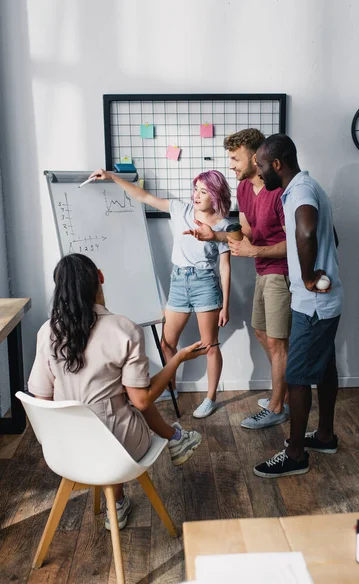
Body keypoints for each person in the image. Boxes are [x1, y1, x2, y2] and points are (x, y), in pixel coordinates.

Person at [28, 254, 210, 530]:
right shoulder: (125, 329)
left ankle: (120, 500)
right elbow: (142, 400)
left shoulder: (47, 332)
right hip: (118, 448)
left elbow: (41, 399)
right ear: (100, 277)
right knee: (129, 401)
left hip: (65, 450)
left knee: (105, 406)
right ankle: (175, 437)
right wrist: (176, 360)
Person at [90, 168, 231, 419]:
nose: (196, 195)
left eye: (203, 191)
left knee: (210, 346)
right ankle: (171, 388)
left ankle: (210, 398)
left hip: (205, 284)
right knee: (166, 343)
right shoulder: (181, 209)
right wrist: (112, 177)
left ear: (216, 194)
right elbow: (143, 197)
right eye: (195, 189)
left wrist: (226, 305)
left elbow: (225, 266)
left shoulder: (223, 226)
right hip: (178, 281)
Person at [184, 129, 291, 429]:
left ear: (256, 157)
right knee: (261, 332)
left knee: (277, 341)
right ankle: (285, 392)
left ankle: (277, 405)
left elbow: (296, 242)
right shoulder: (244, 188)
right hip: (262, 268)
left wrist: (255, 249)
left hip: (281, 272)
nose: (230, 164)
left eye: (235, 158)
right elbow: (247, 233)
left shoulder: (281, 191)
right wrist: (215, 235)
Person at [253, 134, 343, 478]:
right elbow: (331, 236)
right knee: (326, 369)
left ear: (278, 164)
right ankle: (324, 435)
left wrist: (307, 277)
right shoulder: (307, 187)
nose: (260, 173)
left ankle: (295, 455)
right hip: (326, 301)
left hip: (314, 304)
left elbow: (307, 232)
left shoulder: (300, 191)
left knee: (297, 378)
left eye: (262, 166)